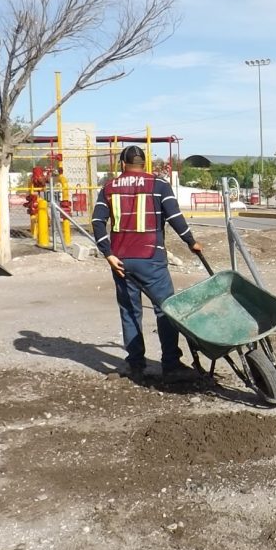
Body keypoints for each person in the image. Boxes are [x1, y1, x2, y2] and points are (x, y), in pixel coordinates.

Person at [92, 145, 203, 380]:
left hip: (121, 261)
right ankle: (171, 363)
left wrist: (108, 254)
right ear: (144, 164)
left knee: (130, 311)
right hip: (151, 258)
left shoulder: (109, 187)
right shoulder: (158, 185)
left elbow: (97, 221)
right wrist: (191, 242)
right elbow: (174, 217)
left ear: (122, 164)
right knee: (166, 310)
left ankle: (135, 364)